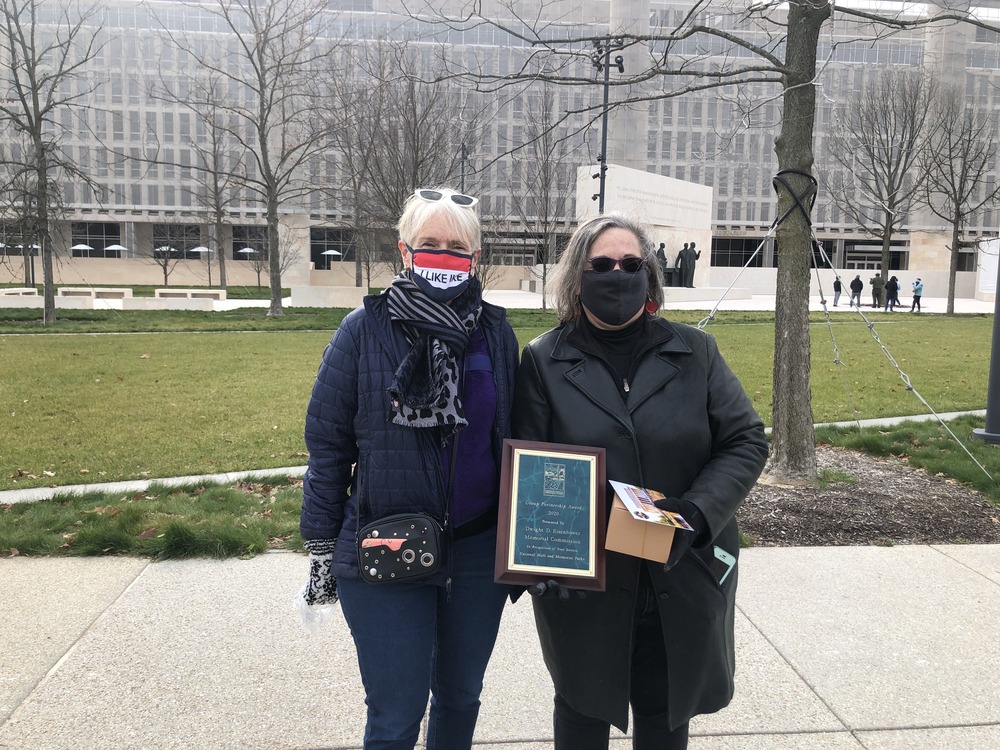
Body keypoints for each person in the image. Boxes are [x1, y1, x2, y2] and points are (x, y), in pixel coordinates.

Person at [511, 213, 769, 750]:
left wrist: (698, 512)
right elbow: (531, 471)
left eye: (632, 264)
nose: (618, 274)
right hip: (587, 584)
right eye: (601, 264)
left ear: (650, 276)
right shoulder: (542, 361)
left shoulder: (696, 352)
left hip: (679, 570)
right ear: (576, 277)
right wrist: (537, 559)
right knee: (581, 711)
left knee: (666, 716)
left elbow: (745, 439)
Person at [297, 187, 519, 750]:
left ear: (475, 256)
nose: (444, 255)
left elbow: (514, 434)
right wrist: (321, 546)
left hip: (476, 552)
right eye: (430, 243)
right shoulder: (362, 331)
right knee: (396, 716)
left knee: (460, 699)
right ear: (404, 250)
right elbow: (328, 447)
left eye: (457, 247)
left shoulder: (495, 332)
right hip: (387, 543)